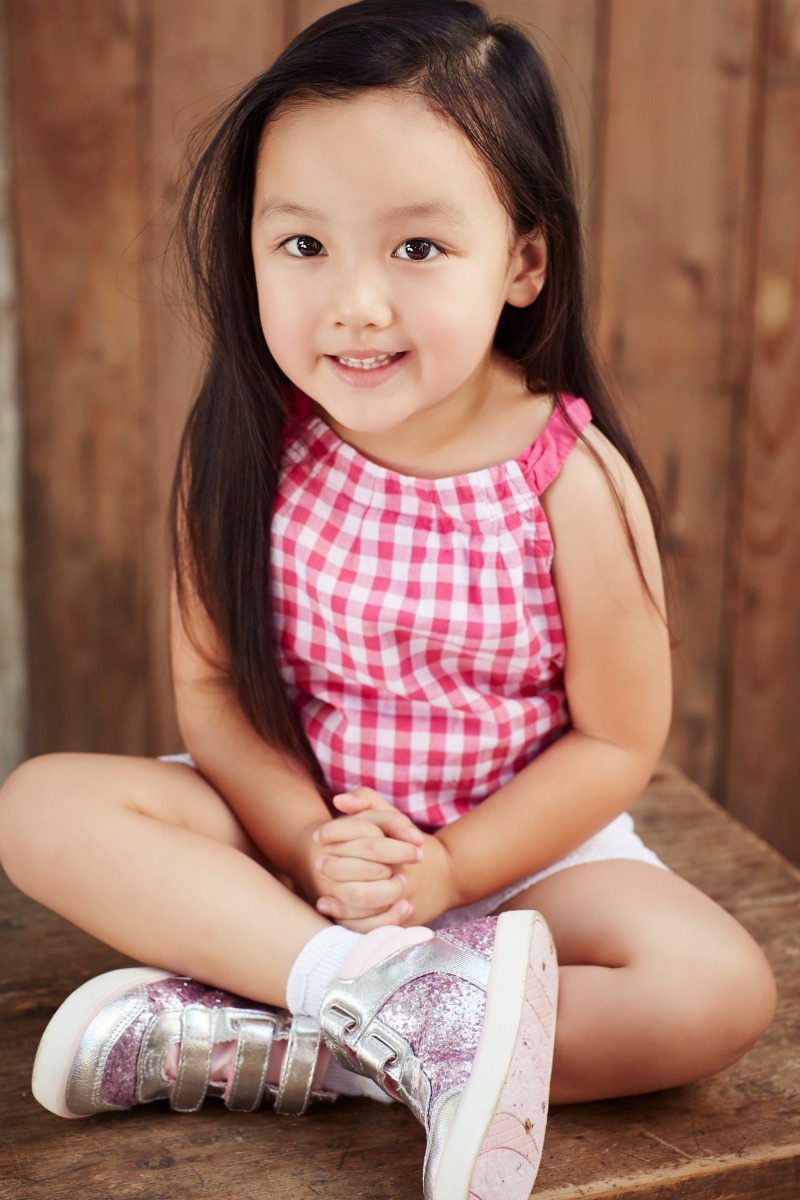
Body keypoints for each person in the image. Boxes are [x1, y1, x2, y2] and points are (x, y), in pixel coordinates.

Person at [0, 2, 776, 1197]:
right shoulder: (246, 444)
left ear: (522, 262)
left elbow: (616, 739)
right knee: (42, 809)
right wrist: (304, 839)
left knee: (713, 990)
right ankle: (387, 1004)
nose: (354, 303)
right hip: (294, 849)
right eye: (302, 245)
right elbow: (211, 683)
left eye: (415, 248)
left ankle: (287, 1038)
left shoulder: (565, 479)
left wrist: (449, 871)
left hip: (516, 865)